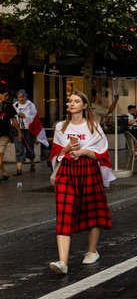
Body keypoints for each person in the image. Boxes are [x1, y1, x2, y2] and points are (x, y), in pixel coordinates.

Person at [48, 90, 115, 274]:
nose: (72, 104)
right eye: (70, 101)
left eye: (76, 101)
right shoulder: (60, 127)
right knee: (64, 210)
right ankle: (63, 262)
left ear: (84, 106)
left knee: (91, 209)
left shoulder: (93, 125)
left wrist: (84, 152)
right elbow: (55, 154)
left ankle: (92, 251)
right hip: (67, 172)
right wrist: (67, 148)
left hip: (88, 170)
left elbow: (102, 154)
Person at [13, 89, 37, 175]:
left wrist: (25, 115)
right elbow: (11, 117)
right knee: (19, 148)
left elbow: (34, 117)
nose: (21, 98)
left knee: (29, 146)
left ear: (26, 97)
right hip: (17, 129)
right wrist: (13, 124)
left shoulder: (30, 105)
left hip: (28, 129)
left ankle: (32, 164)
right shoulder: (14, 105)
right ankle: (19, 169)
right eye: (19, 97)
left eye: (22, 97)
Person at [0, 87, 21, 182]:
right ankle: (4, 174)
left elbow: (14, 120)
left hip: (3, 134)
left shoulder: (8, 106)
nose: (6, 97)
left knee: (0, 155)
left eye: (7, 95)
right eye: (5, 95)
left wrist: (19, 132)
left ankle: (4, 175)